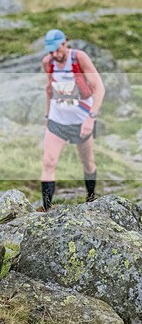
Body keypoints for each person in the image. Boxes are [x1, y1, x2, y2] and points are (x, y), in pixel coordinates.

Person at [41, 29, 105, 211]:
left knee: (88, 163)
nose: (54, 54)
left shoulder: (79, 58)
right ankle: (46, 209)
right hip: (57, 120)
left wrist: (91, 118)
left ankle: (91, 199)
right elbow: (49, 90)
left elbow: (99, 88)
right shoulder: (48, 62)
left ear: (65, 43)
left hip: (82, 121)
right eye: (50, 51)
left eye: (57, 49)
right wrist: (47, 116)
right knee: (49, 161)